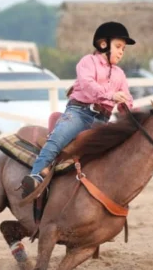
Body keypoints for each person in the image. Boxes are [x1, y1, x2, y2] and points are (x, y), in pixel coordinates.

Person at [20, 21, 135, 196]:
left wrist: (128, 107)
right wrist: (111, 95)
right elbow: (88, 85)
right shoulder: (87, 62)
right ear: (103, 44)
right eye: (118, 46)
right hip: (80, 113)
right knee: (58, 138)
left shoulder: (119, 74)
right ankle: (36, 175)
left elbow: (127, 97)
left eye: (123, 49)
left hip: (102, 120)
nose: (121, 51)